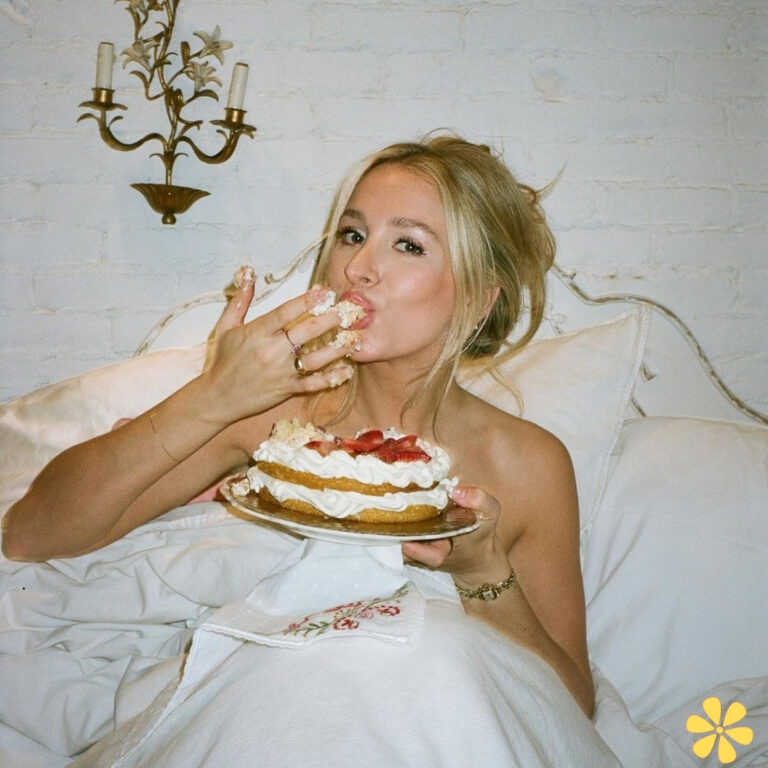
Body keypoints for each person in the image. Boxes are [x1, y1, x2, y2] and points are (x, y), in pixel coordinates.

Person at [2, 134, 594, 722]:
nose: (358, 269)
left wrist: (484, 574)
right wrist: (210, 397)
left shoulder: (528, 463)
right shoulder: (275, 412)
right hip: (267, 708)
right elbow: (31, 535)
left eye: (408, 245)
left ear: (478, 298)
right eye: (353, 235)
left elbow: (573, 712)